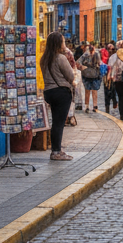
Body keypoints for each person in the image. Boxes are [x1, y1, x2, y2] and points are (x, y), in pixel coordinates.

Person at [39, 32, 75, 160]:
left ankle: (56, 149)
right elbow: (70, 76)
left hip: (49, 92)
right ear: (58, 43)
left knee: (55, 122)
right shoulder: (60, 58)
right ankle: (56, 151)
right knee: (59, 123)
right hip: (61, 92)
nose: (64, 44)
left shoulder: (44, 58)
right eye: (63, 41)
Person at [79, 43, 102, 112]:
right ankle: (94, 106)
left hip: (86, 74)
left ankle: (87, 106)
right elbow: (99, 63)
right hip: (94, 74)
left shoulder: (85, 55)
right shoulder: (96, 54)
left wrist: (83, 67)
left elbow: (79, 63)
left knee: (87, 90)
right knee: (94, 90)